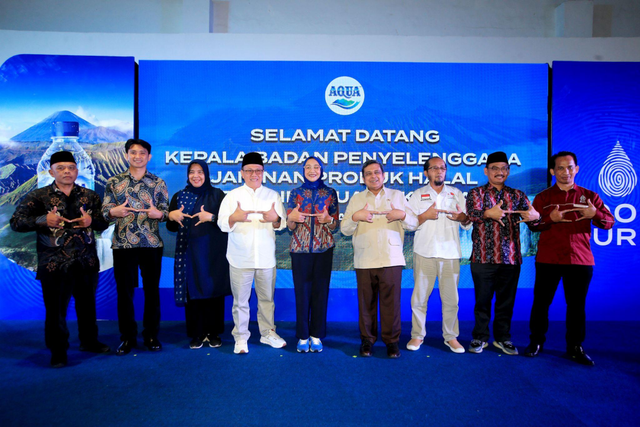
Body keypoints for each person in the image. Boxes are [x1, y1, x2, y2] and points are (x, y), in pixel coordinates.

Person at [10, 151, 110, 368]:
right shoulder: (38, 197)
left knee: (87, 306)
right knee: (56, 310)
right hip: (54, 263)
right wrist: (43, 219)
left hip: (86, 262)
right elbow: (16, 222)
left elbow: (103, 223)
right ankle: (58, 351)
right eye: (61, 168)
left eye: (71, 167)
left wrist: (91, 220)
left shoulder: (90, 195)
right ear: (51, 171)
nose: (67, 171)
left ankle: (89, 341)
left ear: (77, 170)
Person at [524, 151, 614, 365]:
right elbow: (533, 225)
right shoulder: (543, 197)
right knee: (541, 304)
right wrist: (549, 219)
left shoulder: (590, 196)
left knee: (576, 306)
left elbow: (609, 222)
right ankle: (536, 342)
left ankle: (575, 346)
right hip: (548, 259)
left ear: (577, 169)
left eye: (570, 167)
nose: (566, 172)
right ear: (553, 171)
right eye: (561, 168)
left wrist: (596, 215)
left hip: (580, 260)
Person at [341, 160, 418, 358]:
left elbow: (414, 224)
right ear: (363, 178)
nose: (373, 176)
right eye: (368, 173)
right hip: (364, 258)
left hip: (391, 257)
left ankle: (392, 342)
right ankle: (367, 340)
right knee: (366, 303)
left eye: (377, 172)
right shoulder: (356, 199)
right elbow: (344, 229)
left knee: (391, 303)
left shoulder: (397, 196)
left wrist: (401, 214)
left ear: (383, 175)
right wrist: (356, 217)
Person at [466, 151, 539, 355]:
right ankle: (479, 338)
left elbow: (534, 223)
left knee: (506, 302)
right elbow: (471, 214)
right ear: (486, 171)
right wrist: (488, 213)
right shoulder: (476, 194)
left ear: (508, 171)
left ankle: (502, 338)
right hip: (483, 257)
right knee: (482, 301)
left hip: (510, 258)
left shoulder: (517, 195)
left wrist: (537, 216)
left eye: (504, 169)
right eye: (495, 168)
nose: (500, 172)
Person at [102, 139, 169, 355]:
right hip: (123, 245)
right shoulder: (113, 182)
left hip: (151, 244)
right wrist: (113, 212)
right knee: (124, 293)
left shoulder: (158, 183)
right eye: (133, 152)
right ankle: (128, 338)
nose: (137, 156)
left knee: (152, 292)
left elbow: (166, 213)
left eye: (142, 153)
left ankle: (151, 335)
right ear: (126, 155)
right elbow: (104, 211)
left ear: (149, 157)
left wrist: (160, 215)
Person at [217, 152, 287, 354]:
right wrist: (234, 217)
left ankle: (268, 334)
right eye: (249, 171)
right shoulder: (232, 196)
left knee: (267, 300)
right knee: (240, 301)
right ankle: (240, 337)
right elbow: (222, 224)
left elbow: (280, 225)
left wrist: (275, 218)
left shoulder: (272, 195)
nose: (253, 174)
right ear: (242, 173)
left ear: (263, 172)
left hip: (266, 258)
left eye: (257, 170)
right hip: (240, 258)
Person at [406, 157, 471, 354]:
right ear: (426, 173)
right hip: (424, 252)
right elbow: (408, 225)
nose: (439, 171)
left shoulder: (456, 193)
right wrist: (424, 215)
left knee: (451, 300)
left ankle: (451, 337)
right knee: (419, 299)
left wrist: (462, 218)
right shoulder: (417, 195)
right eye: (434, 168)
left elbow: (468, 222)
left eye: (442, 168)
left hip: (450, 253)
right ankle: (417, 335)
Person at [167, 160, 231, 350]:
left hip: (214, 252)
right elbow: (171, 226)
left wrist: (210, 217)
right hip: (189, 253)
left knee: (213, 292)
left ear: (207, 174)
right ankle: (197, 333)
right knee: (193, 292)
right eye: (192, 172)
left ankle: (213, 333)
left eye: (200, 172)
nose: (196, 176)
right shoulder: (180, 197)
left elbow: (227, 222)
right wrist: (172, 216)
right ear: (187, 175)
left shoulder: (218, 195)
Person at [286, 157, 339, 353]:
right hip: (299, 251)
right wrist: (291, 219)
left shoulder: (330, 193)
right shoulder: (296, 193)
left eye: (316, 167)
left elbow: (335, 226)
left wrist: (328, 219)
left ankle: (316, 335)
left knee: (320, 293)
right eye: (308, 167)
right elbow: (290, 225)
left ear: (322, 170)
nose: (312, 170)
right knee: (302, 294)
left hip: (324, 249)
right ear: (303, 170)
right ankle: (302, 335)